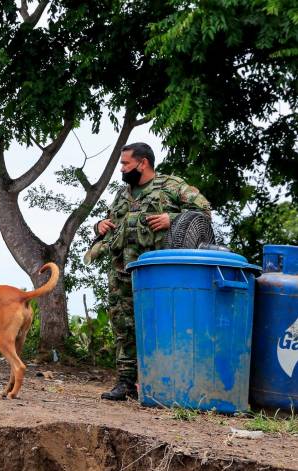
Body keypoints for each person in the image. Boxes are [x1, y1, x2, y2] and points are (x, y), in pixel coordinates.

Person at [95, 142, 211, 401]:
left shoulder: (171, 186)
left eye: (125, 164)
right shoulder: (123, 194)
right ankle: (125, 384)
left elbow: (204, 211)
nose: (122, 169)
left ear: (142, 162)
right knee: (123, 326)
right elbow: (111, 220)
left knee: (162, 324)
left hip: (157, 273)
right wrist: (100, 225)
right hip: (121, 270)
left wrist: (173, 219)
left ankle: (163, 383)